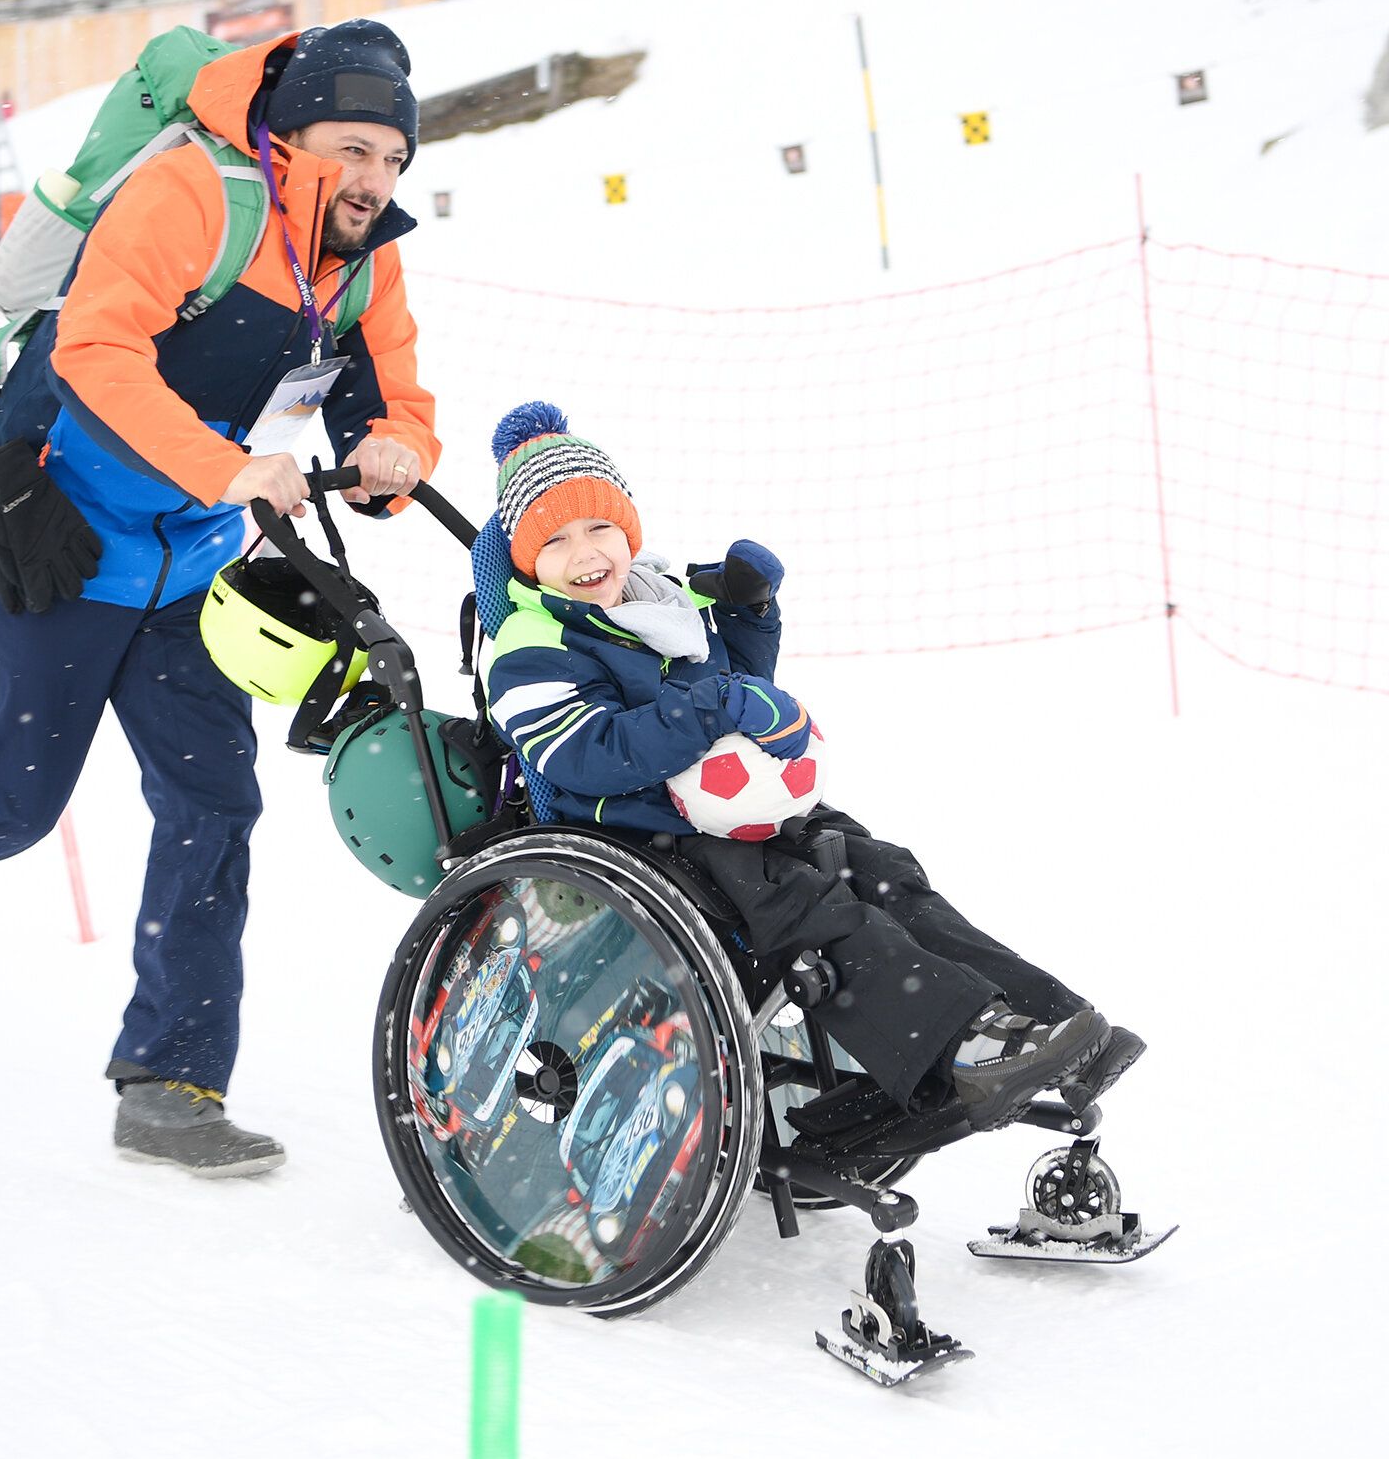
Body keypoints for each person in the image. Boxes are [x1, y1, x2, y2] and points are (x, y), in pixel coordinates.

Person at [0, 19, 441, 1177]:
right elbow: (100, 355)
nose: (375, 179)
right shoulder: (188, 197)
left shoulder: (364, 252)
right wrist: (229, 469)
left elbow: (384, 376)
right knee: (13, 799)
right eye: (355, 149)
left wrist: (396, 447)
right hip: (57, 539)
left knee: (215, 806)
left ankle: (171, 1083)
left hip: (189, 565)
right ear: (294, 134)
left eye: (395, 158)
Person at [473, 403, 1144, 1135]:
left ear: (628, 530)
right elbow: (588, 754)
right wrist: (717, 708)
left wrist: (750, 614)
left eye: (600, 526)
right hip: (644, 837)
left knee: (882, 871)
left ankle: (1047, 1023)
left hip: (730, 810)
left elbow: (738, 681)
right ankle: (965, 1043)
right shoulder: (528, 647)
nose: (586, 550)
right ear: (527, 558)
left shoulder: (660, 602)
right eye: (557, 537)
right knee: (810, 906)